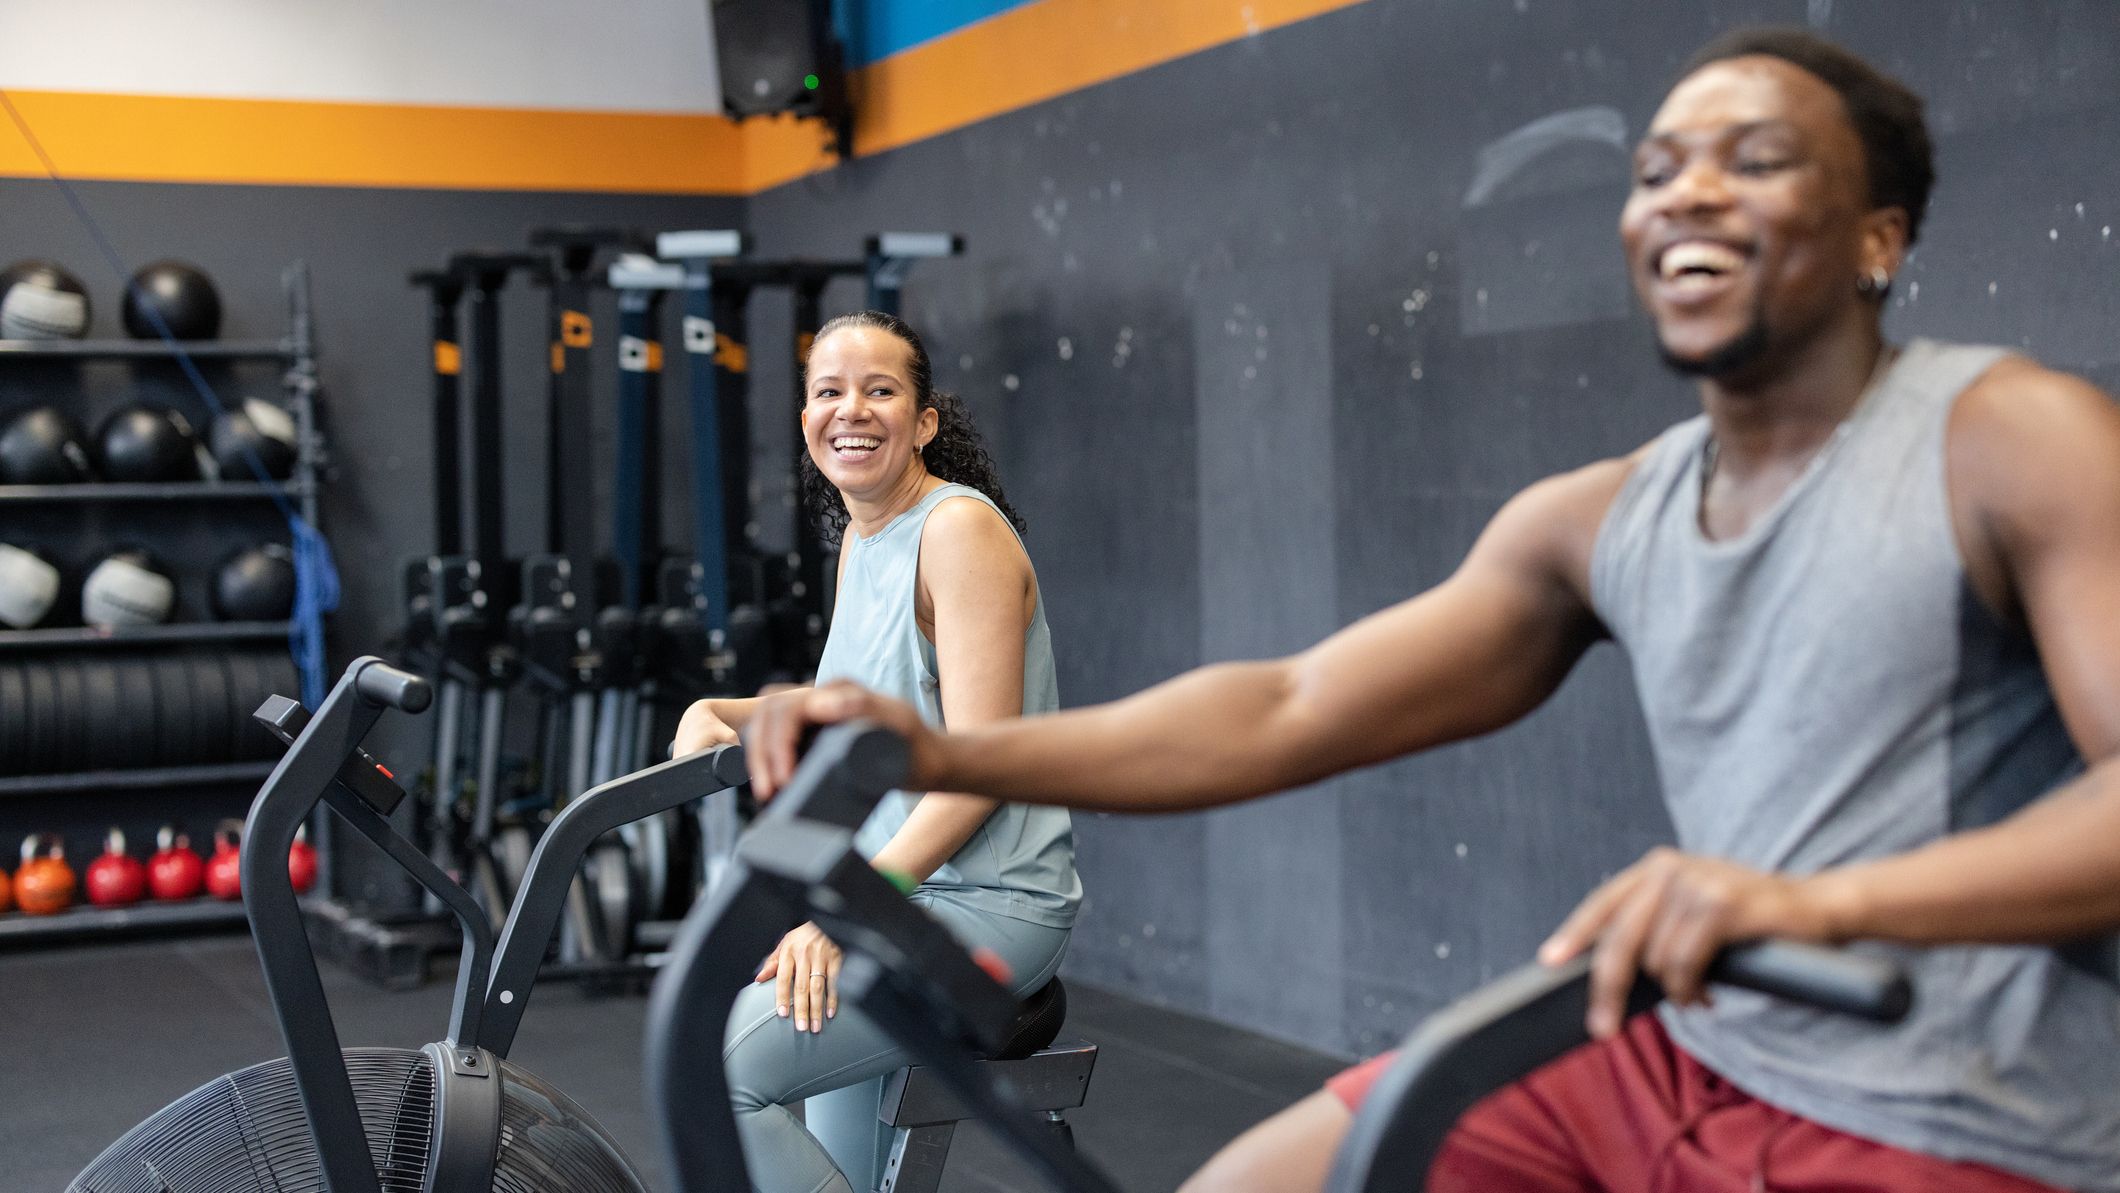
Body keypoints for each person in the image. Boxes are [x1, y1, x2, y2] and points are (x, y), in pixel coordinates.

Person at [737, 28, 2120, 1193]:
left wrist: (1814, 904)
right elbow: (1290, 706)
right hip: (1696, 1052)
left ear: (1880, 233)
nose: (1689, 194)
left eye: (1754, 162)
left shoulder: (2008, 441)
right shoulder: (1602, 514)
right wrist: (934, 747)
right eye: (1658, 171)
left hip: (1954, 1105)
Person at [672, 310, 1081, 1193]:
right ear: (806, 415)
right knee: (827, 1142)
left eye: (879, 389)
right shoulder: (865, 537)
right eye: (828, 391)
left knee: (717, 1064)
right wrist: (727, 709)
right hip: (901, 892)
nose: (849, 409)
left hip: (991, 905)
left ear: (926, 419)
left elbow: (975, 771)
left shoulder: (957, 532)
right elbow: (850, 700)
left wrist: (844, 910)